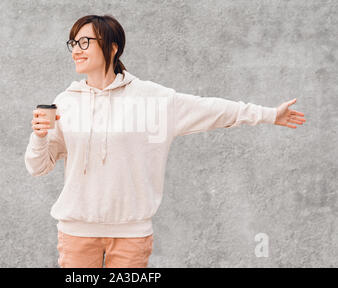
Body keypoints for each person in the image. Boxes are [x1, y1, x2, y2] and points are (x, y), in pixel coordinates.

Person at [24, 14, 306, 268]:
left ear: (112, 47)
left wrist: (268, 114)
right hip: (77, 233)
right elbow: (38, 167)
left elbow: (212, 109)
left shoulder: (152, 99)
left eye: (84, 42)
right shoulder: (65, 102)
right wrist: (39, 137)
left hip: (131, 235)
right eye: (73, 43)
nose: (76, 50)